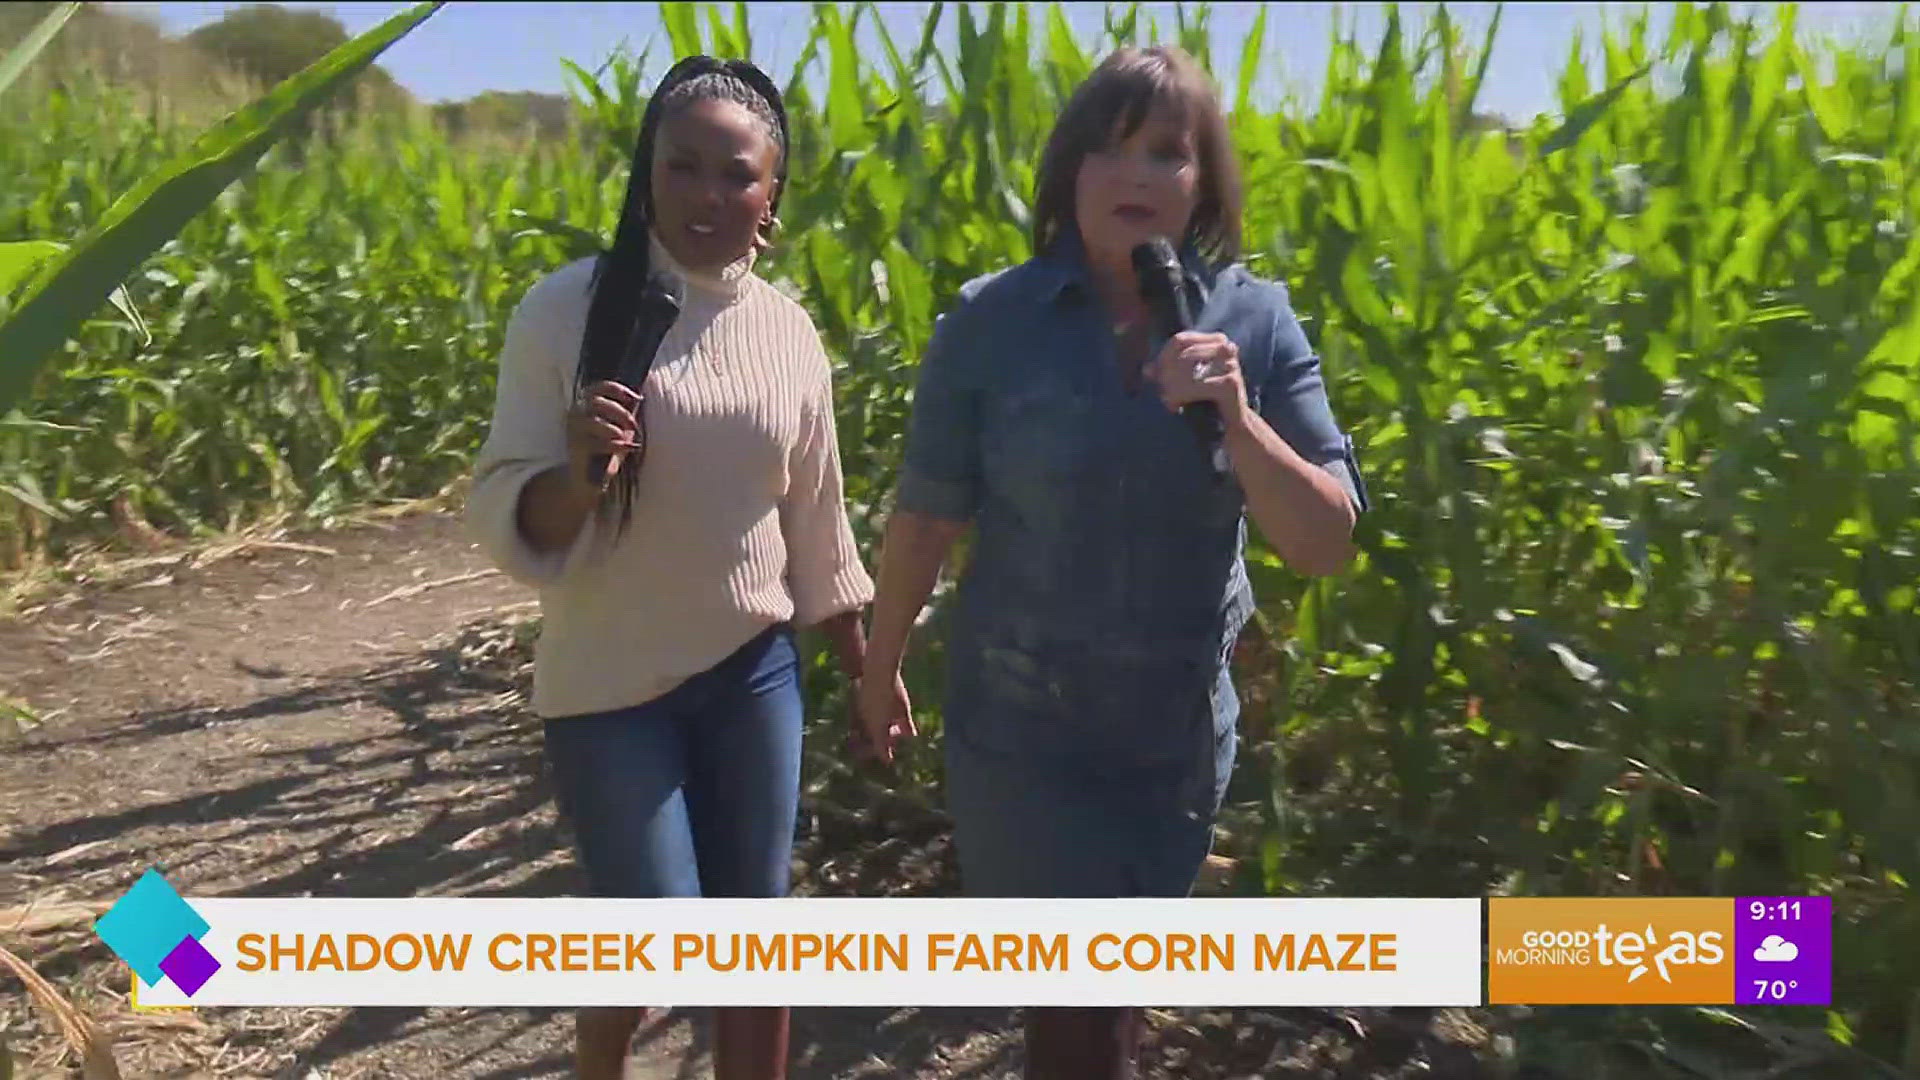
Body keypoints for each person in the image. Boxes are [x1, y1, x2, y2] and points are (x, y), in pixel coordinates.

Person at [856, 45, 1368, 1079]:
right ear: (1068, 174)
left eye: (1168, 153)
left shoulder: (1255, 322)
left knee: (1112, 999)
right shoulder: (992, 323)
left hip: (1172, 743)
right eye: (1108, 147)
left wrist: (1237, 418)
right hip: (1023, 732)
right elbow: (925, 519)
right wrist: (879, 664)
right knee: (1074, 1015)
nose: (1136, 174)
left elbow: (1325, 542)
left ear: (1204, 184)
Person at [466, 55, 891, 1080]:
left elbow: (817, 516)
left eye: (735, 174)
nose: (708, 194)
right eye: (682, 166)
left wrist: (869, 670)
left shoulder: (789, 333)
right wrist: (575, 472)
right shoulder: (567, 312)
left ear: (771, 191)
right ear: (647, 174)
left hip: (752, 672)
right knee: (651, 942)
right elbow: (505, 509)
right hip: (609, 686)